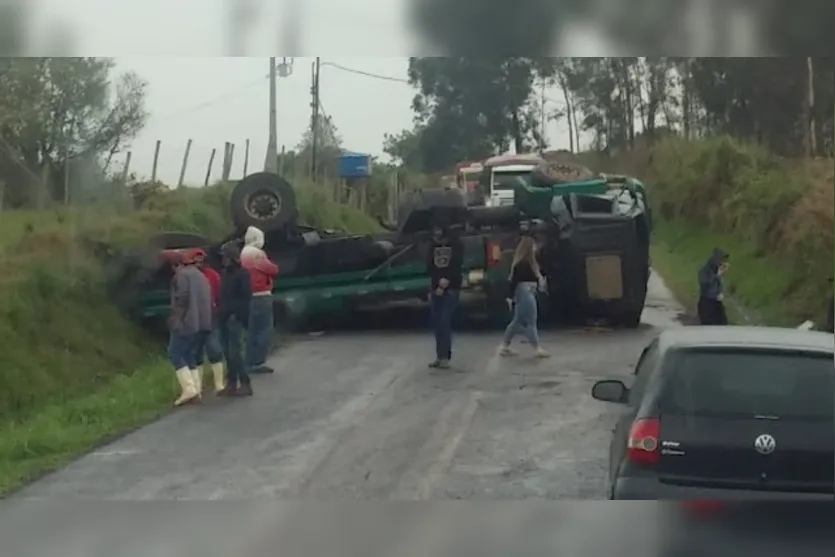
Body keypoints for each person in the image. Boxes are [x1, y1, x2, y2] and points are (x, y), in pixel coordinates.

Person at [168, 249, 213, 406]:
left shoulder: (181, 276)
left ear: (175, 265)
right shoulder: (200, 275)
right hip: (203, 322)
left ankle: (189, 389)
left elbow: (182, 299)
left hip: (187, 322)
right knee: (190, 356)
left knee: (175, 353)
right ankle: (196, 390)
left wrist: (176, 320)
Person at [499, 236, 550, 358]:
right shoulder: (522, 264)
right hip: (525, 291)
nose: (535, 248)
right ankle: (537, 348)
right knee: (531, 319)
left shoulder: (533, 264)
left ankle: (505, 346)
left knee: (517, 320)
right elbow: (514, 281)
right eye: (533, 246)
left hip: (528, 291)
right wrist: (510, 297)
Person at [216, 242, 254, 396]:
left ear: (232, 258)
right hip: (223, 316)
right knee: (226, 350)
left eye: (225, 257)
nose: (223, 259)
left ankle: (245, 382)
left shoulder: (243, 274)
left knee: (235, 351)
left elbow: (246, 298)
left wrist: (237, 314)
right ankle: (231, 382)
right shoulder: (224, 274)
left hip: (235, 317)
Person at [241, 226, 279, 374]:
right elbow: (272, 269)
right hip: (262, 294)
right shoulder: (257, 253)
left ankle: (249, 361)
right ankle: (258, 361)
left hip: (249, 295)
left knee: (252, 330)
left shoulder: (243, 253)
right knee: (265, 328)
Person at [426, 223, 464, 369]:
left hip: (451, 287)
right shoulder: (432, 246)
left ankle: (445, 356)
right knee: (436, 323)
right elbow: (430, 266)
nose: (437, 238)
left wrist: (445, 282)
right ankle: (439, 355)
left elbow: (456, 265)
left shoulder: (456, 245)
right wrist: (436, 285)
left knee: (445, 321)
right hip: (436, 288)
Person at [190, 248, 226, 395]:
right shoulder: (188, 277)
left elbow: (218, 294)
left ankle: (219, 384)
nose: (199, 263)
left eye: (201, 260)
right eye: (196, 261)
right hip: (193, 318)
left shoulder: (213, 275)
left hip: (210, 315)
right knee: (196, 353)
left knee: (214, 349)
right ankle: (197, 389)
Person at [697, 248, 729, 325]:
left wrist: (720, 292)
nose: (722, 262)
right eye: (721, 260)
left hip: (717, 303)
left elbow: (719, 284)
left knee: (723, 325)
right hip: (706, 303)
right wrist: (717, 275)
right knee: (708, 327)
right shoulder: (704, 270)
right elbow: (705, 285)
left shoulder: (717, 269)